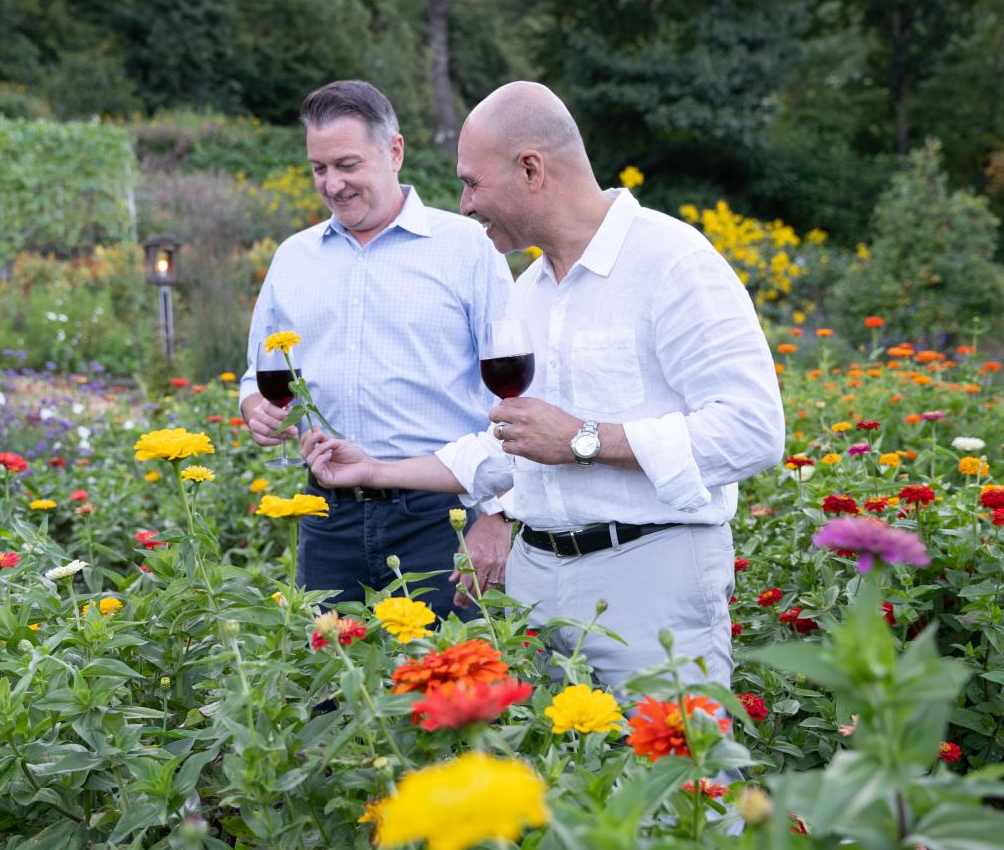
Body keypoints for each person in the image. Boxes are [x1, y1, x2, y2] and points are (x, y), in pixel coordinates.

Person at [302, 80, 785, 693]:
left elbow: (753, 432)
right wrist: (375, 470)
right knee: (564, 785)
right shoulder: (526, 293)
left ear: (531, 168)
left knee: (683, 776)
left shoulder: (672, 262)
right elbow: (510, 448)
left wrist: (584, 439)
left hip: (650, 578)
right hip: (534, 588)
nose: (466, 204)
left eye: (473, 183)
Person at [238, 79, 515, 615]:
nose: (332, 184)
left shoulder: (466, 250)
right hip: (327, 519)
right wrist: (258, 411)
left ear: (395, 152)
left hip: (442, 518)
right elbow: (259, 378)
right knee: (330, 691)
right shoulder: (294, 259)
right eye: (319, 168)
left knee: (447, 687)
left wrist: (500, 513)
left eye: (347, 165)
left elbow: (517, 394)